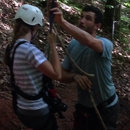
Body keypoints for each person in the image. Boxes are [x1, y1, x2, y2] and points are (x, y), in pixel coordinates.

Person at [51, 2, 119, 130]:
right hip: (83, 108)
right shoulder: (73, 45)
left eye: (88, 18)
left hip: (106, 108)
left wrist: (62, 22)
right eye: (81, 17)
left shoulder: (106, 44)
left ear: (97, 26)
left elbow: (89, 41)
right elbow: (60, 75)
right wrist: (74, 76)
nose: (82, 21)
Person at [3, 4, 61, 130]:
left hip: (20, 108)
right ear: (34, 26)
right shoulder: (30, 51)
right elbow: (57, 75)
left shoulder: (11, 48)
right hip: (36, 110)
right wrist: (53, 45)